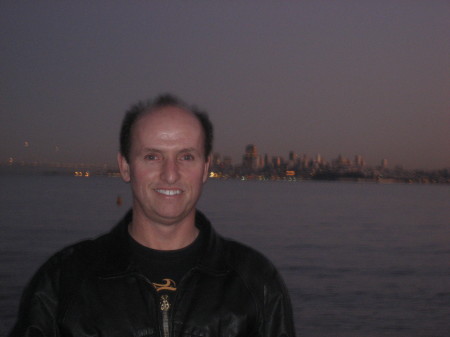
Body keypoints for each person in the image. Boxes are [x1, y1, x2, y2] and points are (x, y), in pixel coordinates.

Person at [9, 94, 296, 337]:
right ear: (125, 167)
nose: (170, 175)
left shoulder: (256, 282)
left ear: (206, 167)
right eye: (152, 156)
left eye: (186, 157)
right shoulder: (64, 281)